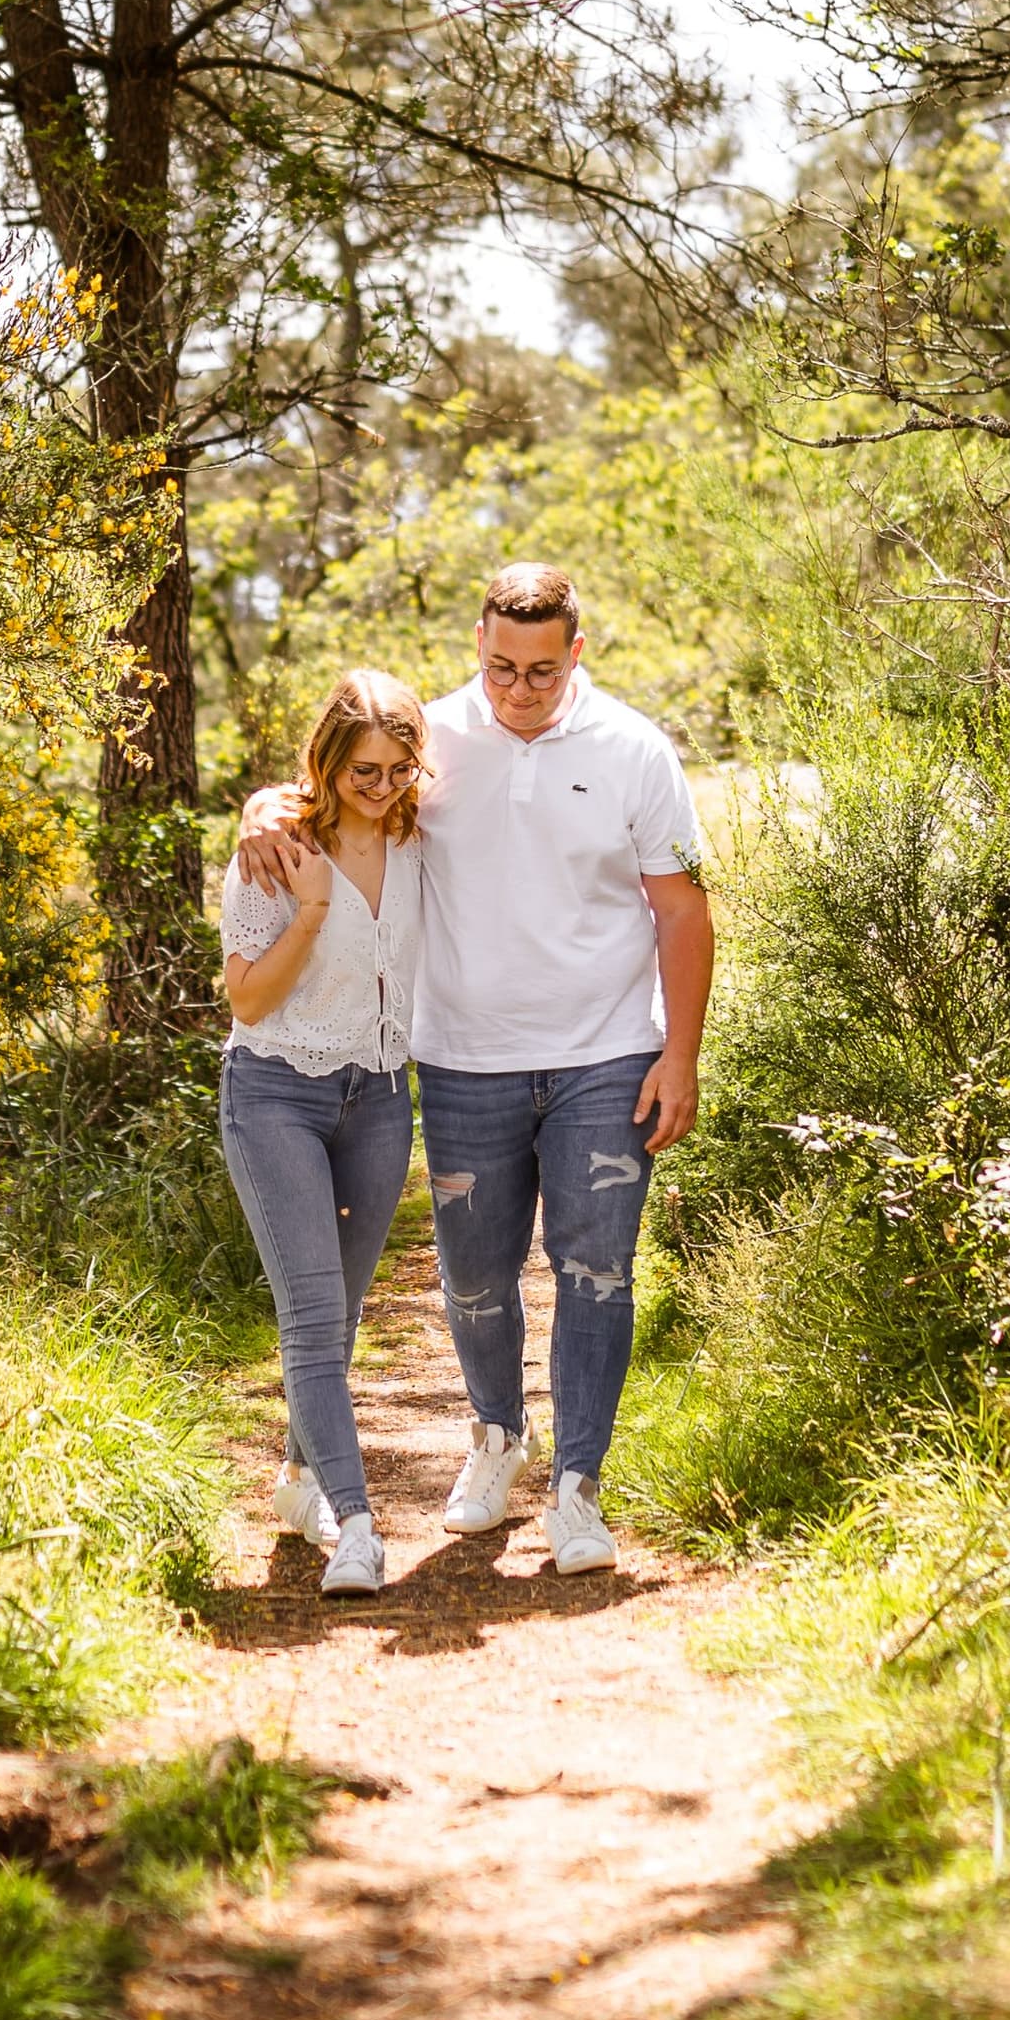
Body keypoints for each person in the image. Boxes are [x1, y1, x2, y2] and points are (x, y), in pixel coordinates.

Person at [241, 564, 710, 1578]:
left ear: (577, 653)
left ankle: (578, 1491)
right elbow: (335, 787)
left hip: (606, 1055)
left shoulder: (634, 749)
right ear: (478, 646)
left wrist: (681, 1054)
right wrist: (260, 813)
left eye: (542, 670)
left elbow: (682, 909)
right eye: (501, 666)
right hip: (461, 1062)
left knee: (595, 1272)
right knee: (476, 1280)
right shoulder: (435, 744)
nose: (520, 688)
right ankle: (498, 1440)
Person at [219, 670, 431, 1597]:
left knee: (340, 1317)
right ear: (329, 760)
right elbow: (250, 1001)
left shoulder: (428, 843)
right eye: (361, 771)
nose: (379, 788)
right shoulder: (278, 852)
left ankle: (300, 1480)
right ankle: (358, 1525)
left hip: (381, 1097)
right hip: (275, 1096)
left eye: (396, 769)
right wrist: (310, 909)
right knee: (311, 1317)